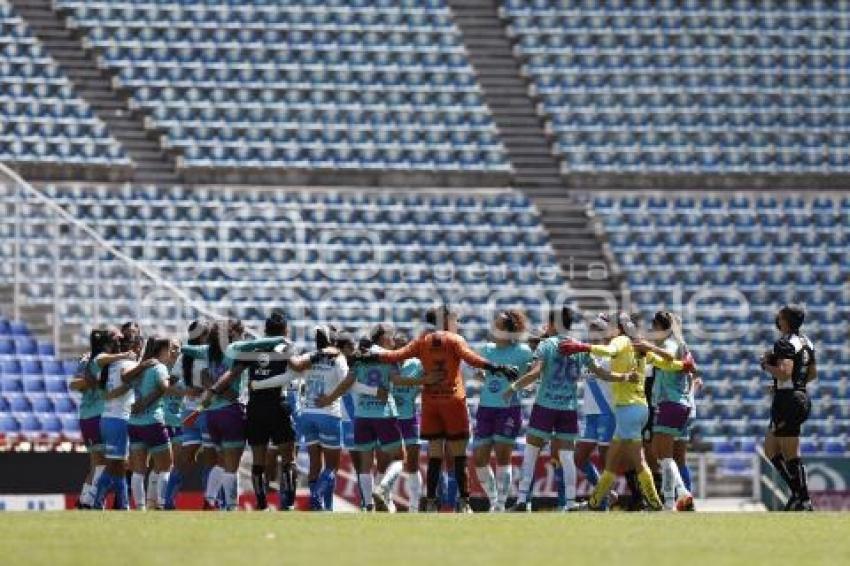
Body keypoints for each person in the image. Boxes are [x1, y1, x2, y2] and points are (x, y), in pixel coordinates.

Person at [360, 306, 519, 513]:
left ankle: (432, 502)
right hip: (453, 401)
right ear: (446, 320)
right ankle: (463, 503)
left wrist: (370, 351)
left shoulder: (422, 341)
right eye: (456, 319)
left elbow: (395, 356)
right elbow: (472, 359)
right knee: (459, 455)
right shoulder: (455, 340)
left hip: (431, 403)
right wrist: (497, 367)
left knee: (434, 455)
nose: (458, 323)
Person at [559, 312, 696, 511]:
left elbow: (608, 351)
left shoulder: (621, 341)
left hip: (626, 409)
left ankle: (654, 503)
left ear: (620, 328)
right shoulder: (638, 345)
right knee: (613, 463)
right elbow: (664, 362)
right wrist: (683, 365)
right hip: (640, 409)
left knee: (637, 462)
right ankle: (595, 503)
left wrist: (583, 347)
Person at [182, 320, 319, 510]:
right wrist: (285, 340)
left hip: (218, 412)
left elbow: (186, 349)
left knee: (228, 461)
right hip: (238, 411)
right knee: (240, 464)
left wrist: (210, 391)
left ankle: (216, 499)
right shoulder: (238, 348)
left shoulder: (210, 350)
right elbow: (290, 365)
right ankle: (237, 505)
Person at [249, 326, 356, 511]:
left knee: (315, 463)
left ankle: (321, 508)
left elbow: (287, 376)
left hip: (307, 416)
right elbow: (348, 381)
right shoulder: (337, 358)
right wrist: (331, 398)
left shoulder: (309, 358)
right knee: (332, 467)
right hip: (329, 415)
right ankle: (317, 496)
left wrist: (259, 384)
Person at [504, 306, 584, 512]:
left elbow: (534, 373)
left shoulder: (547, 345)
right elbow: (598, 371)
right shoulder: (579, 346)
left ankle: (522, 501)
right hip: (568, 406)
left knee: (531, 452)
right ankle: (571, 502)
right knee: (566, 456)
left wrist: (513, 387)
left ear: (553, 324)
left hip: (546, 406)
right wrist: (621, 377)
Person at [473, 310, 534, 512]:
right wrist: (482, 375)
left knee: (502, 456)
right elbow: (480, 374)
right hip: (485, 407)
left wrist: (517, 387)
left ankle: (500, 505)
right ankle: (493, 499)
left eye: (498, 325)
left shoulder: (523, 352)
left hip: (509, 409)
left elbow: (532, 377)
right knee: (480, 458)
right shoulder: (487, 349)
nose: (493, 327)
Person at [69, 328, 134, 509]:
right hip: (97, 415)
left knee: (97, 463)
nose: (120, 343)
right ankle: (90, 501)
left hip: (92, 416)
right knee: (104, 463)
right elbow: (74, 384)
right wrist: (94, 381)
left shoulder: (102, 359)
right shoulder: (96, 359)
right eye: (117, 340)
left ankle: (85, 501)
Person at [761, 304, 816, 511]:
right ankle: (797, 494)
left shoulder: (785, 342)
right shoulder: (806, 341)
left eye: (780, 316)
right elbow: (811, 374)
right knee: (771, 448)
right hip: (795, 396)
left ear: (785, 320)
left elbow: (784, 372)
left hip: (788, 401)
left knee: (790, 452)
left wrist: (765, 365)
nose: (777, 319)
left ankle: (804, 500)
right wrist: (787, 385)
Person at [244, 311, 299, 511]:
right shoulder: (284, 347)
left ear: (265, 330)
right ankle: (289, 503)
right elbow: (297, 366)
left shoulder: (253, 347)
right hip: (277, 404)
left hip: (255, 407)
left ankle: (261, 504)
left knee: (258, 458)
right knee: (288, 456)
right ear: (285, 330)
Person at [92, 330, 152, 510]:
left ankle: (120, 504)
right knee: (116, 466)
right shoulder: (128, 363)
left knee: (118, 466)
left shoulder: (111, 364)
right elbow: (127, 378)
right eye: (140, 346)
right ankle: (97, 501)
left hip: (108, 418)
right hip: (120, 419)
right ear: (134, 347)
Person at [647, 311, 697, 511]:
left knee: (664, 455)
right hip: (682, 404)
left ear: (661, 327)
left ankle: (681, 492)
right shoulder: (683, 346)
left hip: (670, 402)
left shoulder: (670, 345)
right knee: (665, 456)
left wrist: (647, 349)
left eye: (654, 327)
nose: (652, 331)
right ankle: (670, 501)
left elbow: (666, 358)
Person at [127, 336, 181, 510]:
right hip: (153, 422)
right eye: (169, 348)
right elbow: (165, 387)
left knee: (138, 470)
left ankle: (141, 507)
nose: (171, 352)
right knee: (166, 466)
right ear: (162, 350)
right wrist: (181, 389)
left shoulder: (139, 368)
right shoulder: (159, 367)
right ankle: (163, 504)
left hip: (134, 423)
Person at [163, 319, 211, 509]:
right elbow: (169, 383)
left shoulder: (185, 358)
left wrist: (186, 390)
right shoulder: (210, 356)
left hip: (190, 412)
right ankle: (210, 502)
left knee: (185, 460)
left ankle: (169, 501)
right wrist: (188, 390)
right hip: (206, 411)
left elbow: (169, 382)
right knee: (210, 458)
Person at [573, 314, 616, 502]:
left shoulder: (611, 353)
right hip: (590, 413)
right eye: (591, 332)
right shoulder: (587, 354)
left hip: (607, 412)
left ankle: (603, 501)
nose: (593, 336)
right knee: (579, 458)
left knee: (606, 459)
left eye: (597, 331)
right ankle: (605, 493)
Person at [392, 333, 425, 512]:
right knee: (391, 462)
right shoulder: (387, 365)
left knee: (412, 463)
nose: (398, 349)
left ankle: (414, 505)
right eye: (395, 346)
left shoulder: (416, 364)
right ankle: (387, 501)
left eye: (402, 346)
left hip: (410, 419)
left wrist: (418, 391)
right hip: (390, 419)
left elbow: (429, 381)